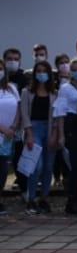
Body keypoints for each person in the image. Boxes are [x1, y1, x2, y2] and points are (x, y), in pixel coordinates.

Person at [20, 61, 58, 214]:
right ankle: (31, 198)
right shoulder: (26, 92)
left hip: (49, 129)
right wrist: (29, 134)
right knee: (36, 166)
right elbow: (24, 114)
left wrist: (54, 134)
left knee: (48, 166)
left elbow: (57, 116)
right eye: (39, 71)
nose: (41, 74)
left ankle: (44, 198)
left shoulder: (54, 93)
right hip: (33, 129)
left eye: (44, 71)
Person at [54, 58, 77, 215]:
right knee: (73, 165)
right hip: (70, 125)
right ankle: (71, 201)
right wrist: (61, 135)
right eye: (74, 70)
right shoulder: (65, 88)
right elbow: (60, 112)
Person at [0, 58, 21, 215]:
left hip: (8, 136)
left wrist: (13, 127)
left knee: (3, 169)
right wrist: (3, 129)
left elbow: (19, 108)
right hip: (3, 132)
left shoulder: (12, 88)